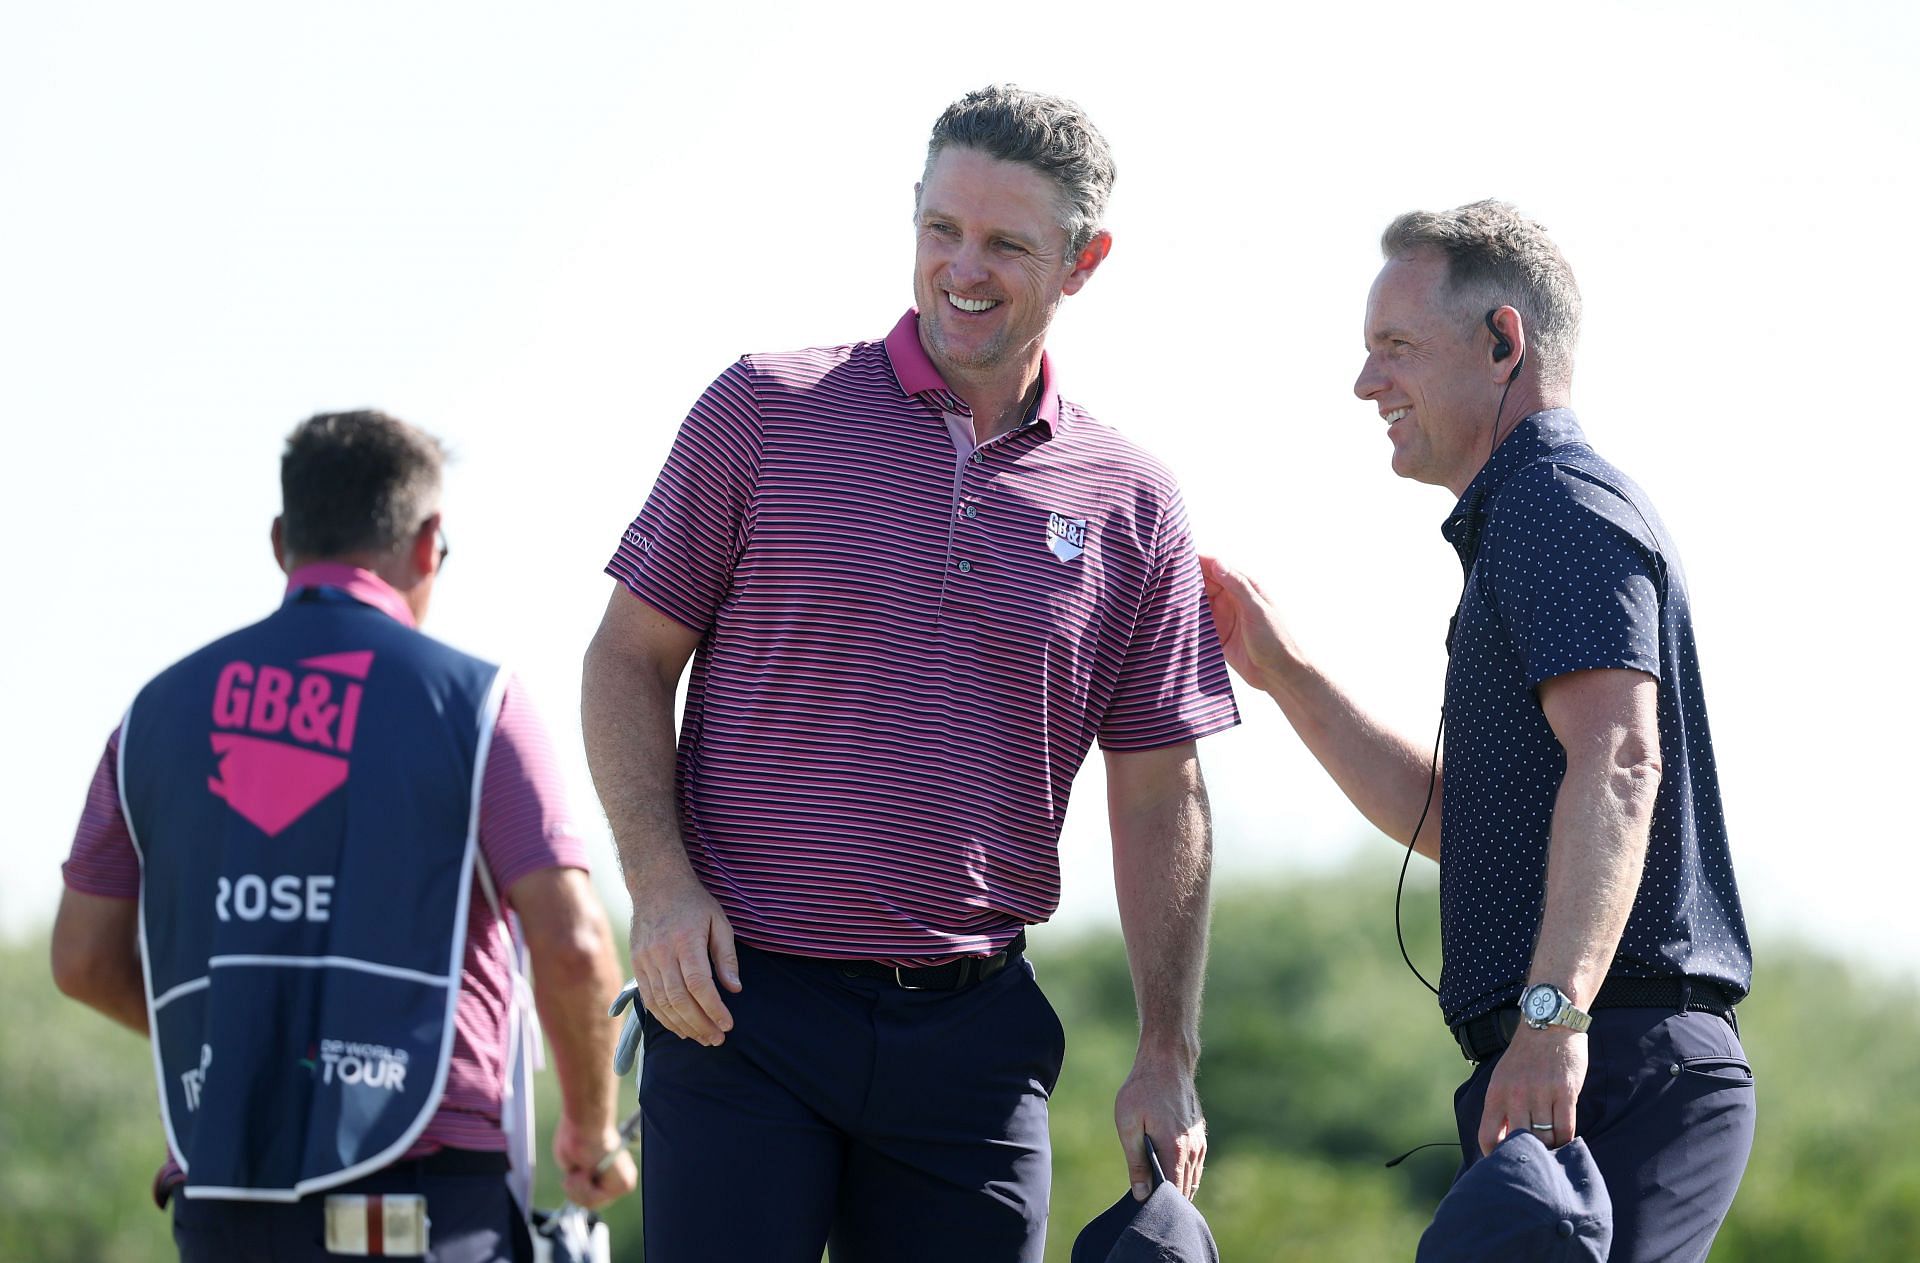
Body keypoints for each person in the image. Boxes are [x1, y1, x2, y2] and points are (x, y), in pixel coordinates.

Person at [582, 84, 1239, 1262]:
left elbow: (1161, 794)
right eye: (941, 229)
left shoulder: (1130, 501)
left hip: (973, 1042)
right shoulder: (763, 411)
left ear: (1083, 262)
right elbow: (626, 661)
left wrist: (1166, 1053)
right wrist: (661, 885)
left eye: (1005, 244)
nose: (961, 269)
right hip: (743, 1008)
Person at [1200, 201, 1754, 1262]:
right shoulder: (1529, 516)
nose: (1368, 386)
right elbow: (1470, 825)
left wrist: (1551, 1020)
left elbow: (1620, 760)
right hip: (1584, 1057)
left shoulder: (1555, 504)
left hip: (1614, 1059)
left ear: (1505, 341)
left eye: (1395, 348)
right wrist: (1285, 673)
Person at [51, 410, 636, 1261]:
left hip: (226, 1197)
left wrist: (251, 1035)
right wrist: (593, 1134)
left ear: (282, 539)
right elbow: (576, 943)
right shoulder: (476, 705)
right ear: (430, 541)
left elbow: (79, 960)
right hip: (424, 1197)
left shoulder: (153, 716)